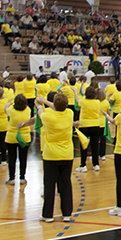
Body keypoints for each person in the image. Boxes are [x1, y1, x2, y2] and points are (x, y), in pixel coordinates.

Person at [30, 94, 74, 222]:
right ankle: (66, 213)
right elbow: (58, 107)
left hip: (51, 155)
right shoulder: (69, 114)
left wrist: (40, 104)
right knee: (66, 183)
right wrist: (46, 101)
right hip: (67, 154)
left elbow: (41, 111)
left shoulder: (48, 117)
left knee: (49, 184)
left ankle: (48, 215)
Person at [72, 86, 102, 172]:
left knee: (83, 146)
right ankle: (96, 164)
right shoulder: (97, 102)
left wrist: (75, 91)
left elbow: (77, 100)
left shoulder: (83, 101)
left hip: (84, 125)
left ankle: (83, 165)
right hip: (96, 125)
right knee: (95, 146)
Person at [4, 93, 32, 185]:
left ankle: (11, 178)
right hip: (25, 137)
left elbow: (5, 110)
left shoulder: (11, 110)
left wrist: (8, 103)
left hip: (12, 137)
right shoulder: (28, 110)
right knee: (23, 158)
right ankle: (22, 178)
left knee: (12, 158)